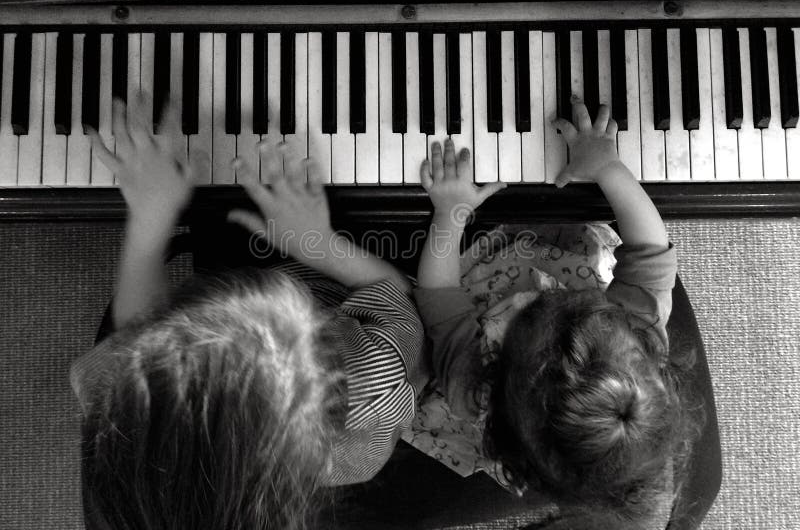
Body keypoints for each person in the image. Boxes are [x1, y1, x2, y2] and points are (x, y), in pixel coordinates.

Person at [71, 92, 427, 530]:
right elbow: (391, 294)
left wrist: (150, 216)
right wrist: (315, 242)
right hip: (336, 296)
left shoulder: (117, 405)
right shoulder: (373, 376)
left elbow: (133, 332)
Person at [410, 99, 699, 528]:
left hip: (488, 280)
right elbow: (650, 246)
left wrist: (451, 215)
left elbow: (438, 296)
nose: (543, 300)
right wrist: (606, 166)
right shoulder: (641, 334)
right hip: (566, 258)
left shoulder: (473, 392)